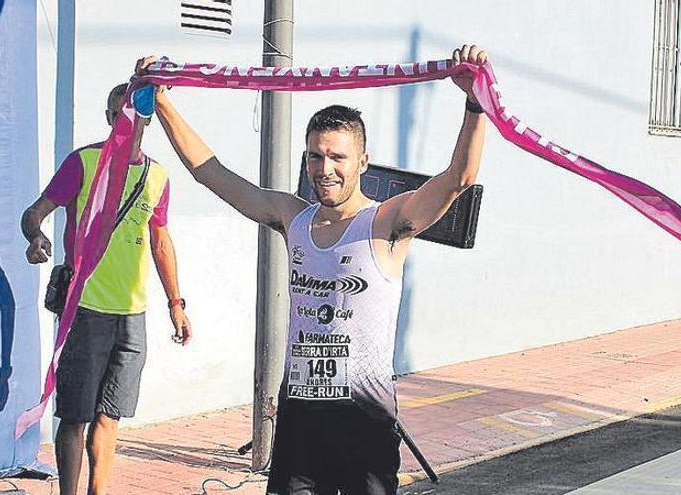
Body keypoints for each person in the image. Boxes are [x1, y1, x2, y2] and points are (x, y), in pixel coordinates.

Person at [138, 43, 487, 494]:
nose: (326, 169)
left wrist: (474, 103)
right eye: (316, 157)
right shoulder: (292, 218)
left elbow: (458, 179)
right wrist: (163, 100)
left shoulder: (388, 222)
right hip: (300, 420)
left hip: (364, 422)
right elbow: (212, 173)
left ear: (362, 162)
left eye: (338, 157)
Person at [20, 83, 192, 495]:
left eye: (133, 115)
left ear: (146, 121)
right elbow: (35, 212)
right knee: (75, 415)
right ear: (109, 118)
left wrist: (176, 304)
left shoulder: (158, 176)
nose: (126, 122)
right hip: (85, 309)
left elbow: (160, 242)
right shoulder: (84, 161)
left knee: (109, 416)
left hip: (131, 317)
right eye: (118, 114)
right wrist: (35, 238)